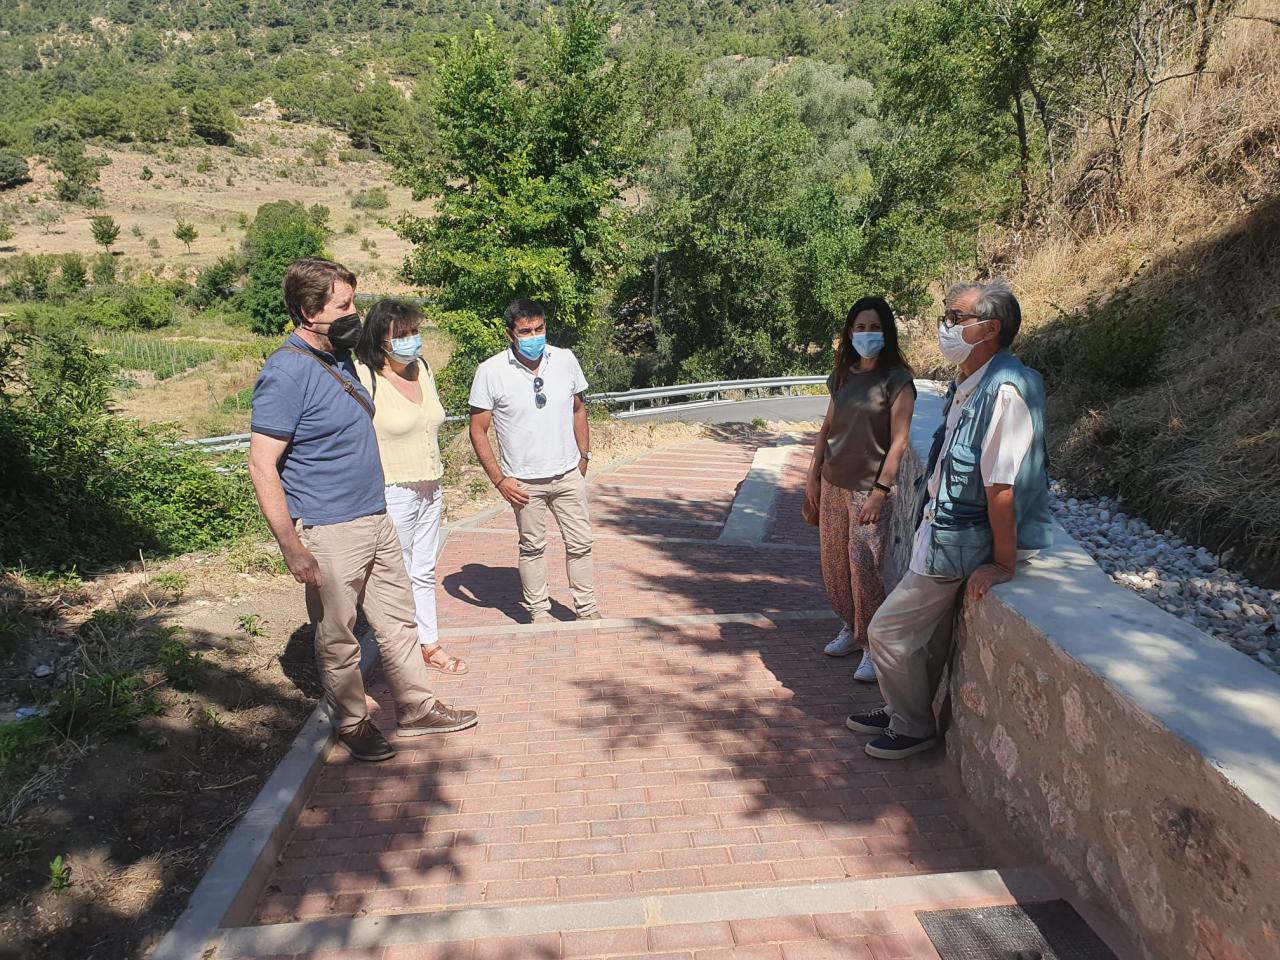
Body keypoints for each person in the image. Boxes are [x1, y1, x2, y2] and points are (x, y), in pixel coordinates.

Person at [247, 257, 477, 763]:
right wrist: (291, 545)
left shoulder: (338, 360)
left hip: (375, 515)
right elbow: (262, 465)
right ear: (309, 312)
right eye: (344, 306)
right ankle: (352, 722)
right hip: (328, 528)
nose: (355, 315)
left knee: (398, 621)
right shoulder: (286, 372)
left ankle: (416, 708)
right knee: (338, 635)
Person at [846, 280, 1052, 760]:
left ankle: (912, 726)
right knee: (925, 639)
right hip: (940, 530)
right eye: (946, 316)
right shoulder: (971, 384)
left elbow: (1001, 486)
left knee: (887, 631)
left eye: (957, 319)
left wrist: (1003, 564)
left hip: (959, 540)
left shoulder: (1004, 392)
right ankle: (901, 712)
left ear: (991, 329)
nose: (946, 327)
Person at [353, 299, 467, 676]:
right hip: (392, 489)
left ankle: (428, 644)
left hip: (430, 484)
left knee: (423, 569)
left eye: (415, 332)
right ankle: (399, 652)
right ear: (380, 339)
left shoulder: (423, 369)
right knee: (393, 574)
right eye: (401, 334)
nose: (411, 340)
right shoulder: (364, 376)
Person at [805, 297, 916, 683]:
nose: (867, 334)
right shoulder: (842, 376)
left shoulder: (897, 380)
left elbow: (899, 441)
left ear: (886, 333)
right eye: (860, 327)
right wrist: (812, 475)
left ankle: (872, 646)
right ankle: (851, 630)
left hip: (868, 490)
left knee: (864, 567)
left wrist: (880, 492)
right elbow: (827, 428)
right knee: (834, 565)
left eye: (874, 327)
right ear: (850, 332)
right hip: (832, 484)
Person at [468, 299, 600, 623]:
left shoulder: (565, 360)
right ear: (510, 333)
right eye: (525, 331)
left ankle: (587, 609)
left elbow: (578, 409)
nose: (534, 336)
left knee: (581, 544)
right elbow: (478, 430)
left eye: (539, 329)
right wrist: (500, 480)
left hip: (568, 474)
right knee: (532, 547)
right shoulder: (490, 371)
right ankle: (539, 611)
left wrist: (583, 456)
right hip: (523, 482)